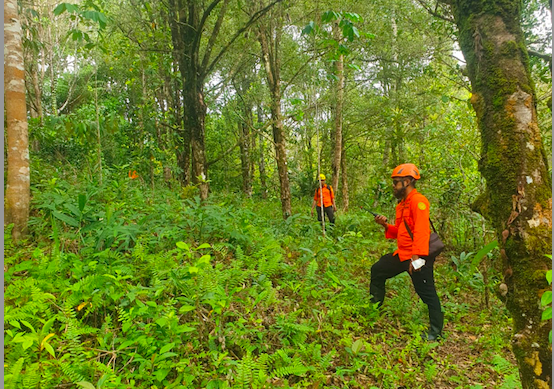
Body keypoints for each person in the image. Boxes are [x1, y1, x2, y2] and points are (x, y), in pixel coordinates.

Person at [370, 163, 444, 341]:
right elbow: (402, 231)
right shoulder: (402, 204)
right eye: (394, 182)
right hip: (403, 254)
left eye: (396, 183)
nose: (394, 186)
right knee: (378, 270)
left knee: (427, 293)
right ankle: (372, 310)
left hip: (418, 256)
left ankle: (436, 332)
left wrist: (416, 258)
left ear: (408, 181)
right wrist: (386, 225)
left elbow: (420, 230)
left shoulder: (419, 201)